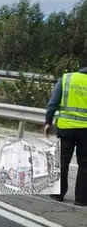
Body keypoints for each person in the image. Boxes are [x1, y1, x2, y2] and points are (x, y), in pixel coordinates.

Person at [44, 61, 87, 206]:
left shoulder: (67, 78)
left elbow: (52, 103)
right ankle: (81, 200)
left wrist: (48, 122)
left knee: (63, 160)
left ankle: (58, 194)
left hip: (66, 128)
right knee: (85, 163)